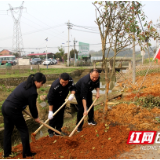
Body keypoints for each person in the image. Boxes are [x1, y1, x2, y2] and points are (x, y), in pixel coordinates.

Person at [2, 73, 46, 158]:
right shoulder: (33, 92)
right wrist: (36, 117)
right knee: (24, 131)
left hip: (5, 106)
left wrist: (21, 105)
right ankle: (26, 153)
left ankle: (6, 153)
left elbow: (20, 97)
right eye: (42, 83)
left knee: (8, 131)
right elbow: (32, 107)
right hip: (13, 109)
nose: (42, 85)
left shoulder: (25, 84)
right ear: (37, 82)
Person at [47, 73, 75, 137]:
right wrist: (50, 111)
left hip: (62, 101)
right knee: (53, 117)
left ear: (68, 80)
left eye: (66, 82)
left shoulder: (70, 80)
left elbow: (73, 88)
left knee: (60, 116)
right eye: (62, 82)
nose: (64, 84)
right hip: (54, 102)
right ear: (59, 79)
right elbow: (50, 100)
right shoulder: (55, 86)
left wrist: (72, 94)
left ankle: (58, 131)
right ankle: (51, 132)